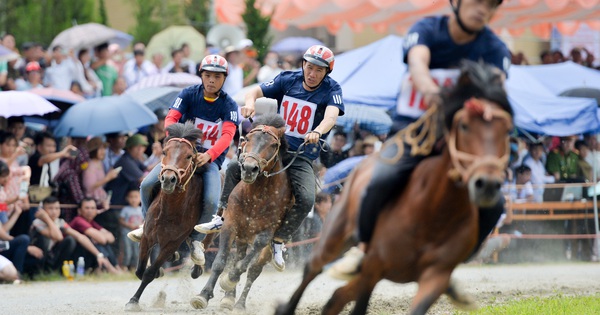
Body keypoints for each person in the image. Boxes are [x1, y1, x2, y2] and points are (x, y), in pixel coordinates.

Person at [328, 0, 511, 279]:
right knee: (381, 178)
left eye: (490, 5)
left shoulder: (495, 48)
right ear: (457, 3)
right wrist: (430, 90)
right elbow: (417, 62)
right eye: (476, 2)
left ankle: (459, 255)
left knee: (496, 203)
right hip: (412, 128)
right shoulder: (427, 29)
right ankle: (363, 247)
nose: (482, 9)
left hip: (459, 137)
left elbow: (497, 85)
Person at [196, 45, 344, 271]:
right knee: (236, 166)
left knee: (307, 197)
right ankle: (221, 215)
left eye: (318, 70)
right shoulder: (287, 79)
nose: (312, 73)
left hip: (300, 155)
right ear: (303, 64)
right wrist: (249, 104)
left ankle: (279, 240)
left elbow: (332, 116)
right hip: (274, 147)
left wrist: (318, 131)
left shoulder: (332, 89)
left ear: (326, 73)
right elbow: (253, 91)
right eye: (309, 67)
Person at [128, 54, 239, 269]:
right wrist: (177, 140)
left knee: (210, 200)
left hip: (208, 162)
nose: (211, 80)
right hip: (180, 158)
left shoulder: (230, 104)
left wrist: (209, 155)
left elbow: (227, 135)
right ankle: (145, 224)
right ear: (201, 76)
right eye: (207, 75)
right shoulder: (188, 94)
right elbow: (171, 118)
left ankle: (197, 243)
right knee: (147, 184)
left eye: (217, 76)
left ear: (224, 79)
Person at [69, 198, 119, 272]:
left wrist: (100, 237)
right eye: (87, 208)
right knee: (97, 243)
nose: (90, 211)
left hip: (88, 255)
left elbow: (111, 238)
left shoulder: (92, 222)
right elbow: (102, 239)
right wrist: (100, 237)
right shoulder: (78, 220)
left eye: (93, 208)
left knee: (103, 244)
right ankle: (111, 269)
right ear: (79, 210)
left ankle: (115, 267)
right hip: (76, 257)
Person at [119, 189, 143, 271]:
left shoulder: (141, 209)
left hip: (137, 234)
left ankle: (134, 267)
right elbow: (121, 220)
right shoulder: (125, 209)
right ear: (127, 199)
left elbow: (144, 221)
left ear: (140, 198)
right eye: (131, 197)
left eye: (136, 197)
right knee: (127, 250)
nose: (133, 199)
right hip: (127, 233)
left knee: (137, 251)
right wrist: (129, 225)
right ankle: (124, 267)